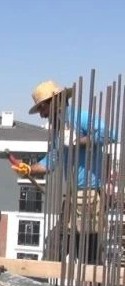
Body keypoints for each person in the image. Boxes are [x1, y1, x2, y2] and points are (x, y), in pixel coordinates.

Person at [12, 80, 113, 264]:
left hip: (90, 195)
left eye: (42, 108)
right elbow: (51, 160)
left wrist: (78, 141)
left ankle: (92, 280)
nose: (41, 115)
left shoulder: (81, 118)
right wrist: (29, 169)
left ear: (55, 102)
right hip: (73, 196)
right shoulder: (59, 131)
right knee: (54, 245)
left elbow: (109, 134)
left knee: (88, 253)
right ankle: (43, 279)